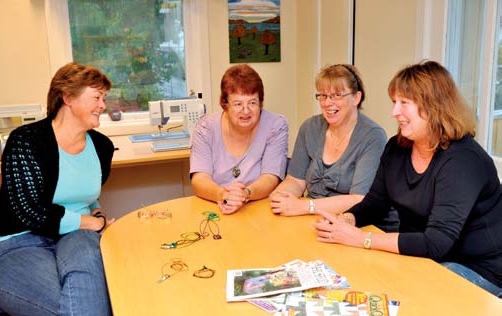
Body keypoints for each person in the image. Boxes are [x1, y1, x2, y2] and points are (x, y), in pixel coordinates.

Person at [312, 61, 502, 298]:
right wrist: (348, 220)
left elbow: (437, 242)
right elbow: (376, 202)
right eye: (395, 102)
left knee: (406, 296)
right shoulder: (397, 147)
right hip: (420, 257)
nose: (394, 112)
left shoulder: (463, 160)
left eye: (404, 103)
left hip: (476, 268)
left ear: (434, 107)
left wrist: (363, 239)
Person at [0, 62, 115, 315]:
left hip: (78, 236)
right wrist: (91, 223)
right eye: (96, 97)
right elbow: (30, 213)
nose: (103, 105)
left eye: (104, 98)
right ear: (67, 97)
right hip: (19, 240)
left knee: (95, 296)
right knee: (74, 306)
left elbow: (88, 196)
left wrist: (97, 214)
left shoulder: (102, 146)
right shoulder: (26, 140)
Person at [269, 64, 388, 219]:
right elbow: (296, 181)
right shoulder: (309, 127)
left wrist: (304, 206)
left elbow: (358, 199)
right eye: (323, 96)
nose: (327, 103)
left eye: (337, 95)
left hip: (354, 222)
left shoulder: (373, 136)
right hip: (310, 218)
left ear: (356, 98)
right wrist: (281, 196)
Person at [190, 64, 288, 214]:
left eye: (252, 103)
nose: (246, 111)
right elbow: (199, 179)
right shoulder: (205, 128)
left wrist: (246, 194)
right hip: (215, 208)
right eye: (238, 104)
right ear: (225, 104)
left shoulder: (276, 126)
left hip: (259, 209)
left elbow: (271, 178)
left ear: (261, 102)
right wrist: (222, 194)